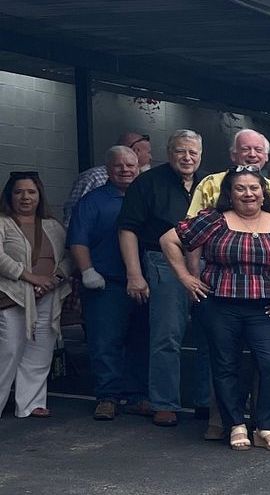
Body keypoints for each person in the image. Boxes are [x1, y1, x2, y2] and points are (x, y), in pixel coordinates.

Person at [161, 169, 270, 450]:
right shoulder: (213, 220)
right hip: (221, 305)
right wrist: (186, 278)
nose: (248, 194)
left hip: (266, 308)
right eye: (240, 189)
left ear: (264, 192)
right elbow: (169, 240)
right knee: (226, 365)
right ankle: (235, 425)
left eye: (254, 188)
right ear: (229, 193)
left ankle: (265, 428)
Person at [116, 129, 207, 427]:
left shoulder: (209, 184)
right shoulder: (147, 183)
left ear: (201, 155)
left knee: (210, 335)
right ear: (169, 153)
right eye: (181, 151)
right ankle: (165, 403)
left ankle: (206, 401)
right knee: (167, 335)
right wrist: (134, 274)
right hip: (162, 262)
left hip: (207, 264)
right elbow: (127, 229)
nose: (187, 157)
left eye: (193, 152)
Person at [71, 147, 149, 420]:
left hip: (146, 284)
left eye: (130, 165)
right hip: (106, 284)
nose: (125, 170)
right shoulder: (92, 201)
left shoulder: (145, 198)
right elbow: (77, 240)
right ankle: (108, 397)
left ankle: (138, 396)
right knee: (105, 343)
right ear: (107, 169)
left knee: (141, 341)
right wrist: (87, 271)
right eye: (118, 166)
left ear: (138, 167)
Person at [0, 171, 71, 418]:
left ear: (40, 196)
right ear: (9, 195)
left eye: (31, 192)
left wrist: (54, 280)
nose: (25, 197)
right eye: (19, 192)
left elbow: (68, 257)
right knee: (8, 350)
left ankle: (31, 403)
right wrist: (30, 278)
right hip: (13, 295)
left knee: (40, 350)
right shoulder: (2, 222)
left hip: (48, 295)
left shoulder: (53, 225)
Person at [185, 129, 270, 215]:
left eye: (258, 150)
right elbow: (191, 225)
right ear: (233, 155)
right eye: (246, 149)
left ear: (266, 156)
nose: (252, 154)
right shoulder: (210, 184)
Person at [65, 131, 154, 220]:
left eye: (130, 166)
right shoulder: (93, 177)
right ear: (136, 151)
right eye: (148, 152)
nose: (151, 157)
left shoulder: (144, 183)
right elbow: (72, 217)